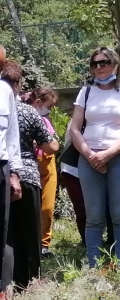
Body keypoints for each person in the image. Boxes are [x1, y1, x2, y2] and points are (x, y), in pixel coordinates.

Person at [68, 47, 120, 269]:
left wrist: (107, 154)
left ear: (115, 66)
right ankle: (95, 267)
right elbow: (74, 128)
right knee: (94, 217)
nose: (99, 67)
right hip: (89, 159)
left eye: (104, 62)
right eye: (95, 63)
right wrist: (90, 155)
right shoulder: (85, 92)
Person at [2, 62, 57, 289]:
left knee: (7, 233)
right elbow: (51, 146)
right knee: (30, 233)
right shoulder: (27, 111)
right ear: (18, 84)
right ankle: (31, 281)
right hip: (28, 176)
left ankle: (7, 282)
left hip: (4, 173)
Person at [22, 87, 59, 258]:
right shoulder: (23, 115)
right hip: (30, 165)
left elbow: (52, 144)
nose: (50, 110)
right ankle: (29, 243)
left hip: (47, 164)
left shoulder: (45, 121)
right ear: (38, 102)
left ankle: (44, 245)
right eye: (49, 106)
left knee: (47, 207)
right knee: (30, 206)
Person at [0, 44, 23, 293]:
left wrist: (15, 173)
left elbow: (12, 136)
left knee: (3, 229)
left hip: (2, 165)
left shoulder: (5, 90)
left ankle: (3, 289)